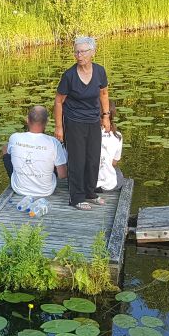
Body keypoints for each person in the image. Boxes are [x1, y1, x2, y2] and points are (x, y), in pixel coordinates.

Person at [54, 36, 110, 211]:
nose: (79, 55)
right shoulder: (69, 75)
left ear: (92, 52)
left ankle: (90, 192)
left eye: (83, 51)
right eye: (76, 52)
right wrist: (59, 127)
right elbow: (58, 101)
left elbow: (104, 94)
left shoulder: (99, 71)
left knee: (93, 158)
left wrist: (105, 116)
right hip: (74, 121)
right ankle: (76, 197)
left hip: (93, 120)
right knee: (77, 160)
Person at [3, 105, 68, 197]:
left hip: (19, 189)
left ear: (27, 120)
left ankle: (22, 178)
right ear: (46, 122)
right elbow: (62, 175)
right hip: (46, 191)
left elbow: (8, 153)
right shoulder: (54, 142)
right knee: (56, 157)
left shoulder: (14, 137)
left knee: (5, 148)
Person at [96, 101, 124, 192]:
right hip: (107, 185)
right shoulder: (118, 136)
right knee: (118, 172)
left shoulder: (86, 133)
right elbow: (114, 162)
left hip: (87, 184)